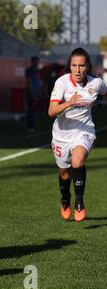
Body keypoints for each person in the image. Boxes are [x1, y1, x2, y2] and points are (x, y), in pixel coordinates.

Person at [48, 47, 107, 222]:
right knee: (65, 173)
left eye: (81, 66)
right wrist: (69, 103)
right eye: (74, 65)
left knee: (78, 160)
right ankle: (65, 198)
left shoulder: (95, 83)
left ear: (87, 66)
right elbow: (51, 111)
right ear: (70, 66)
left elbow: (104, 91)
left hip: (84, 131)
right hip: (62, 135)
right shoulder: (62, 83)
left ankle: (79, 202)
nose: (78, 70)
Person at [25, 56, 42, 132]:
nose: (37, 63)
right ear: (32, 62)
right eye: (36, 61)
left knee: (34, 110)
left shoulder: (37, 70)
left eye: (38, 61)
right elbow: (28, 82)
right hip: (31, 93)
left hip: (36, 92)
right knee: (30, 110)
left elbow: (38, 82)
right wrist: (32, 93)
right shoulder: (29, 70)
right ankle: (30, 126)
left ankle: (33, 125)